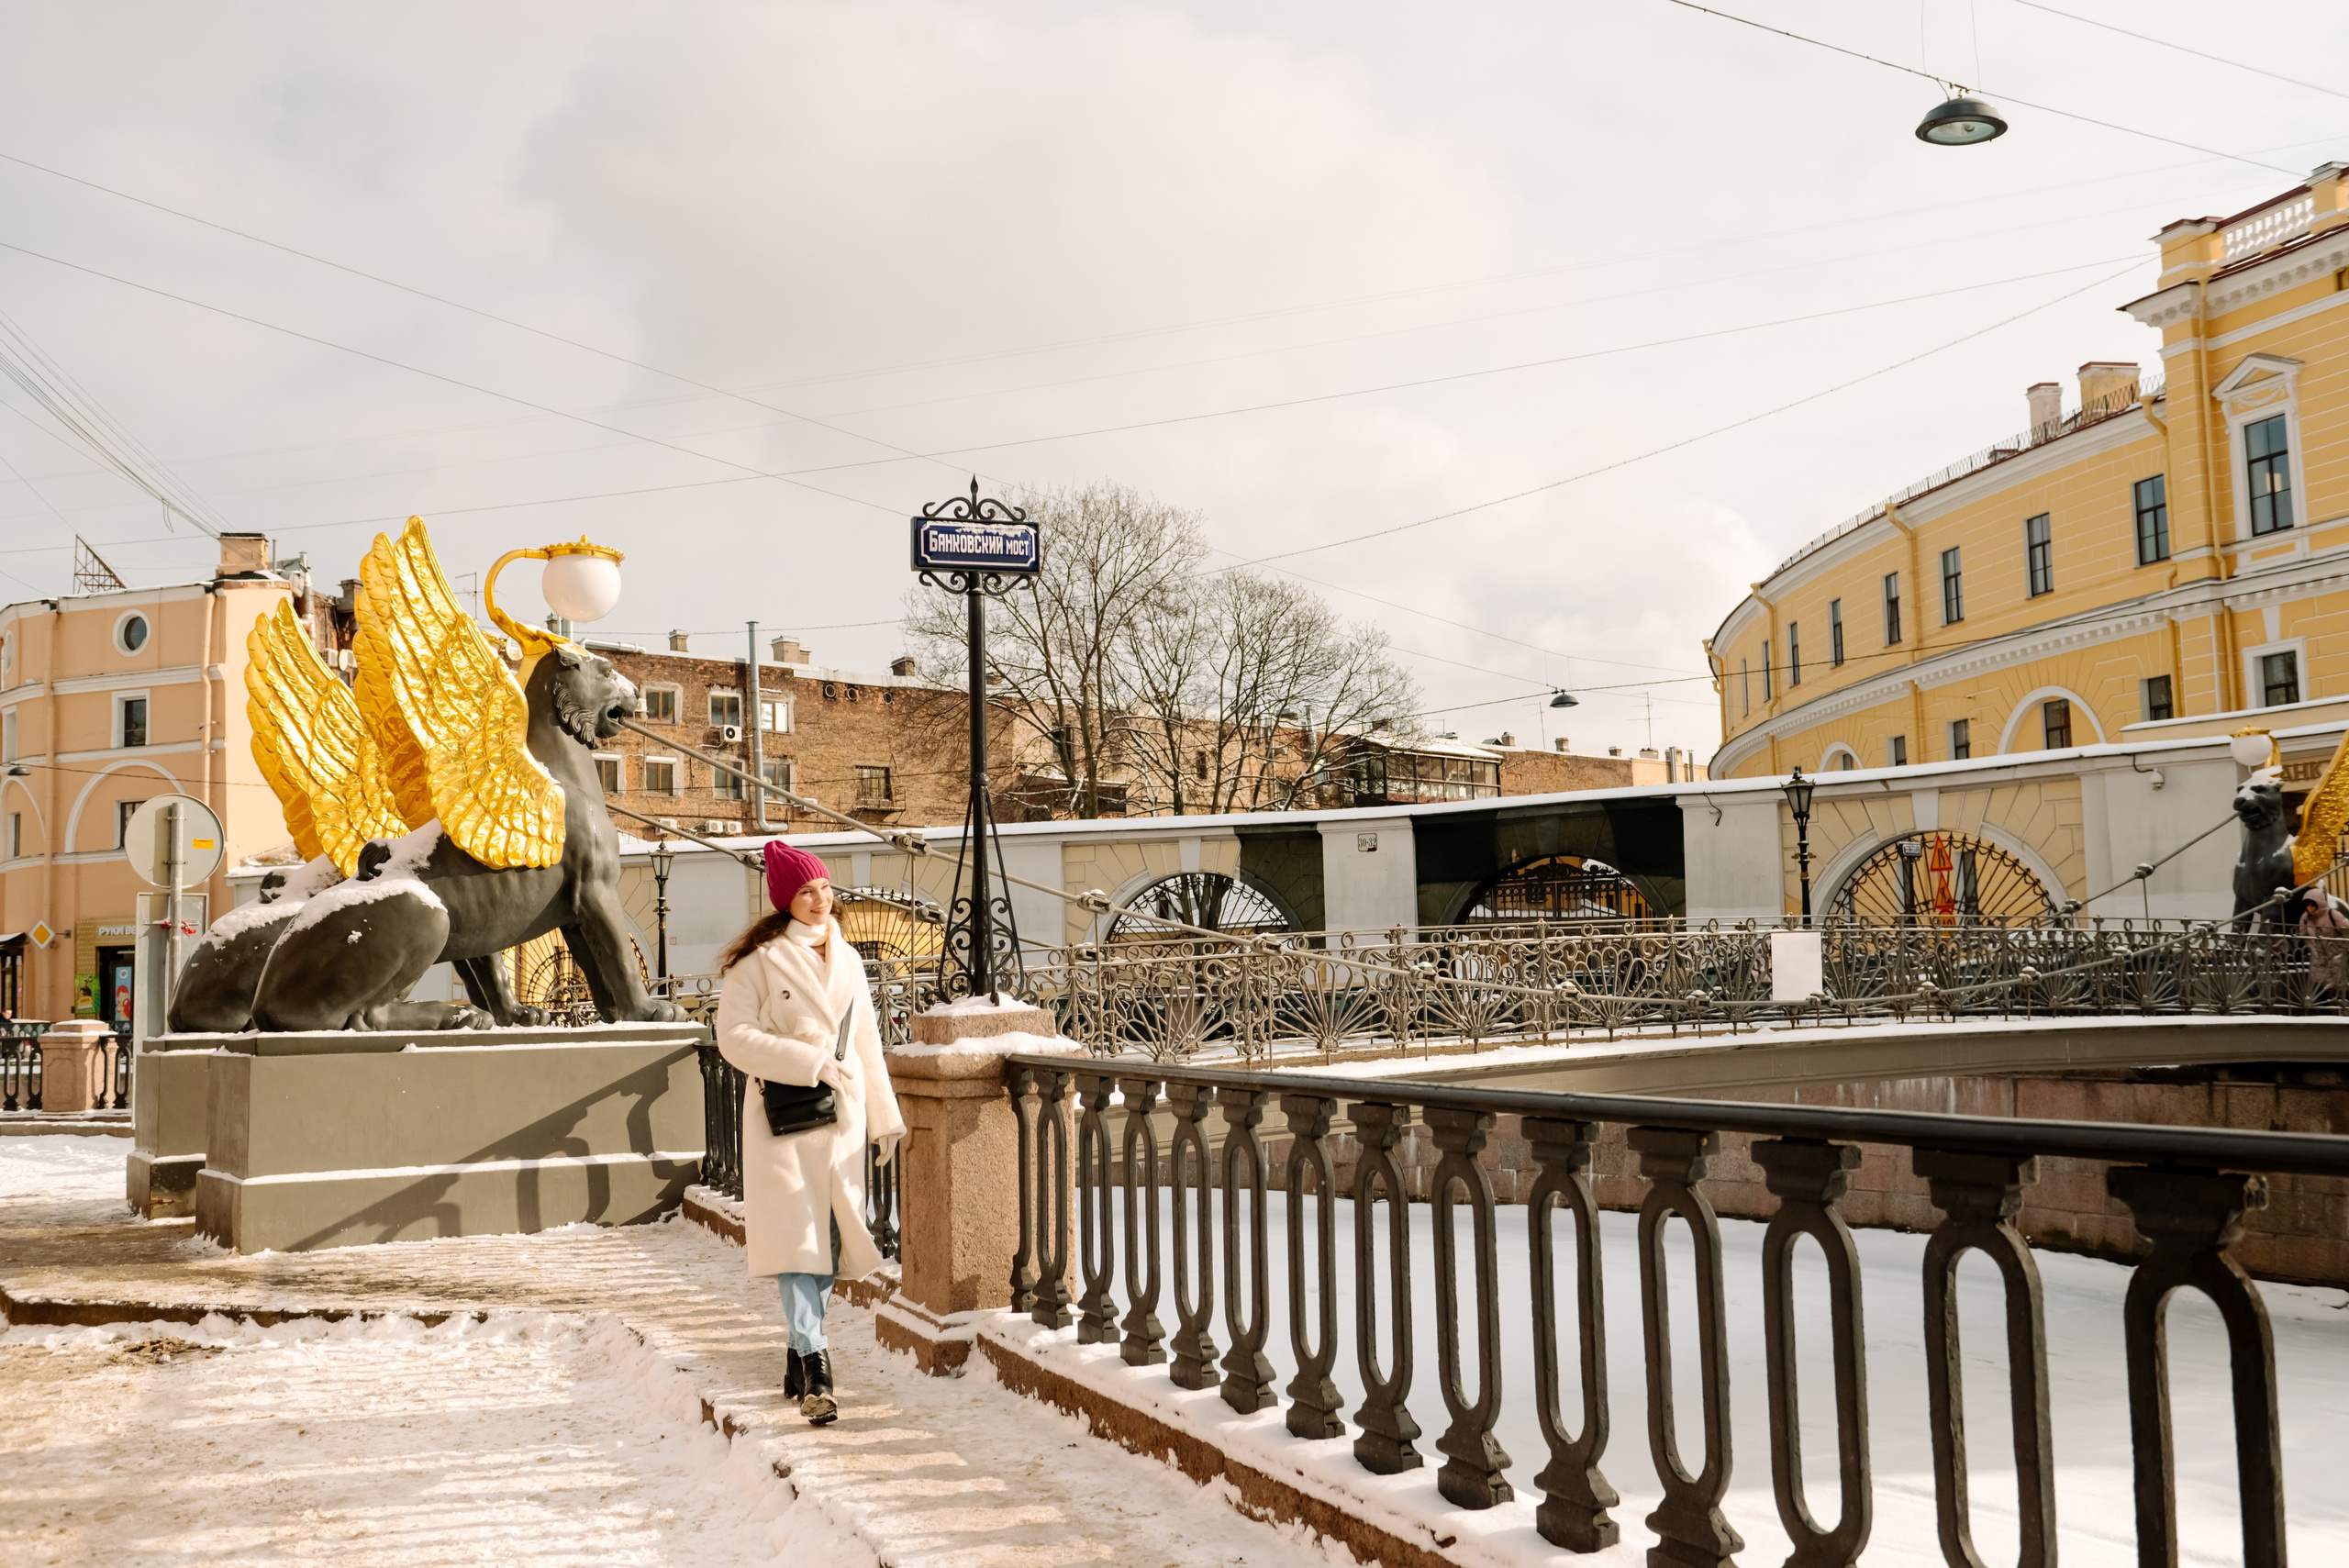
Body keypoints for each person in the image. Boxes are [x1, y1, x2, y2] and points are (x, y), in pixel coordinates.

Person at [714, 841, 905, 1425]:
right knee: (799, 1241)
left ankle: (799, 1351)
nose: (821, 900)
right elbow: (734, 1039)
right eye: (805, 891)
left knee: (827, 1242)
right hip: (785, 1122)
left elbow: (867, 1044)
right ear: (785, 901)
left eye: (824, 887)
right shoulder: (759, 965)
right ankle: (819, 1363)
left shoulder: (849, 961)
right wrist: (806, 1060)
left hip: (841, 1118)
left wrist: (885, 1117)